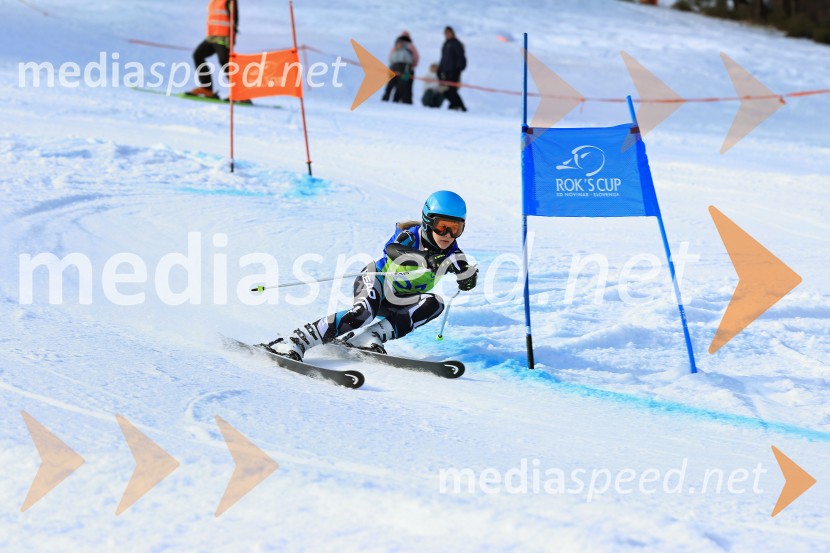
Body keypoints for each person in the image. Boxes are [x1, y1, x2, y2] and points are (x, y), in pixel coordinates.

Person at [259, 191, 478, 360]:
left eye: (455, 229)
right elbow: (394, 250)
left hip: (401, 299)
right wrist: (426, 259)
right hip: (377, 282)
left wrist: (467, 278)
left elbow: (464, 273)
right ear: (428, 221)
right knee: (362, 313)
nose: (448, 235)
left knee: (435, 303)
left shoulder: (453, 253)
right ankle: (294, 341)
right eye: (442, 227)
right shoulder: (410, 236)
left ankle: (369, 337)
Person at [188, 0, 239, 99]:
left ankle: (240, 93)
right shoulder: (213, 1)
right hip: (212, 37)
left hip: (223, 38)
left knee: (225, 62)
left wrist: (232, 37)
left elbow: (234, 18)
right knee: (198, 55)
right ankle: (206, 89)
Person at [382, 31, 419, 104]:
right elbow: (390, 56)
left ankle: (400, 101)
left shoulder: (410, 46)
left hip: (405, 67)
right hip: (395, 66)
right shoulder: (396, 46)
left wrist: (412, 66)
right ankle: (385, 100)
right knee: (391, 84)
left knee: (403, 85)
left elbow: (416, 56)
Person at [438, 26, 467, 112]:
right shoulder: (446, 44)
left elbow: (461, 57)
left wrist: (458, 69)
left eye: (449, 33)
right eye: (446, 33)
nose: (447, 34)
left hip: (454, 71)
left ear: (452, 33)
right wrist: (440, 69)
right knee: (446, 91)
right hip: (445, 71)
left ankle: (460, 107)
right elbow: (443, 58)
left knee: (452, 90)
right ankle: (455, 105)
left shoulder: (456, 43)